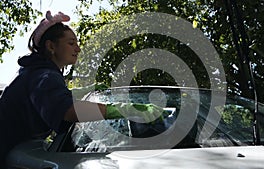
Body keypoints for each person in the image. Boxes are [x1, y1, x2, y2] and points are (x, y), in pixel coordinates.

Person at [0, 11, 165, 167]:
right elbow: (67, 110)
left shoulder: (37, 73)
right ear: (51, 46)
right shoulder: (43, 76)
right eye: (71, 43)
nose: (78, 49)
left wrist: (84, 91)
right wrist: (121, 110)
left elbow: (54, 98)